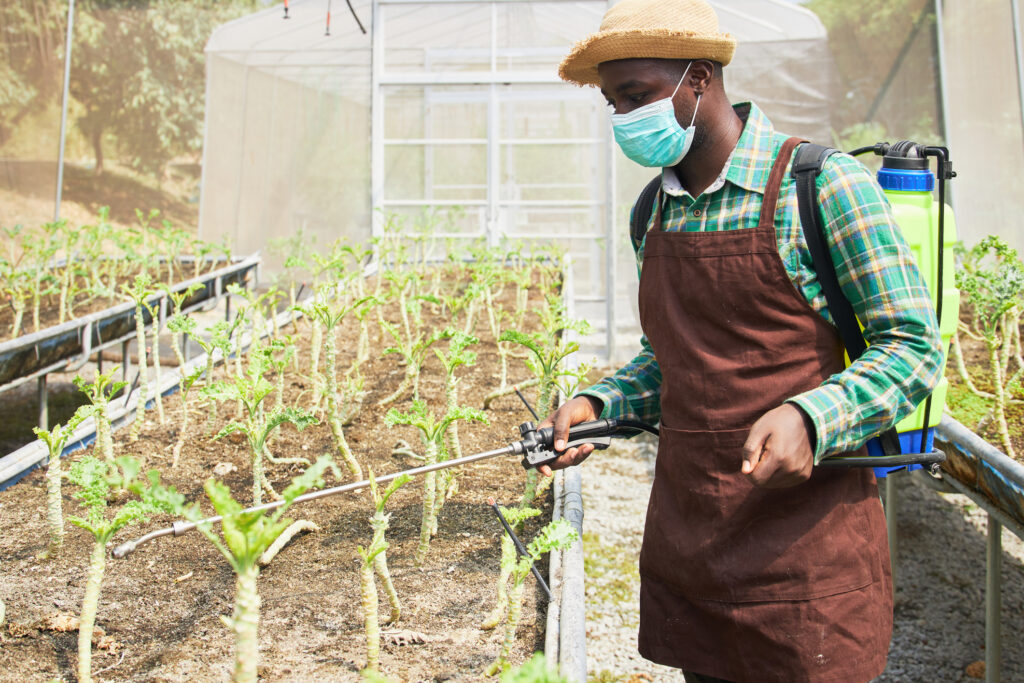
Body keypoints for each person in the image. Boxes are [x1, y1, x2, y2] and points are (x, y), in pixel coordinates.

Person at [539, 0, 945, 681]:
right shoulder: (654, 211)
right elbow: (676, 360)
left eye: (638, 96)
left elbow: (912, 345)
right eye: (615, 105)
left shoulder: (817, 186)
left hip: (807, 560)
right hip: (693, 548)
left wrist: (810, 417)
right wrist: (600, 401)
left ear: (699, 77)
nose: (626, 119)